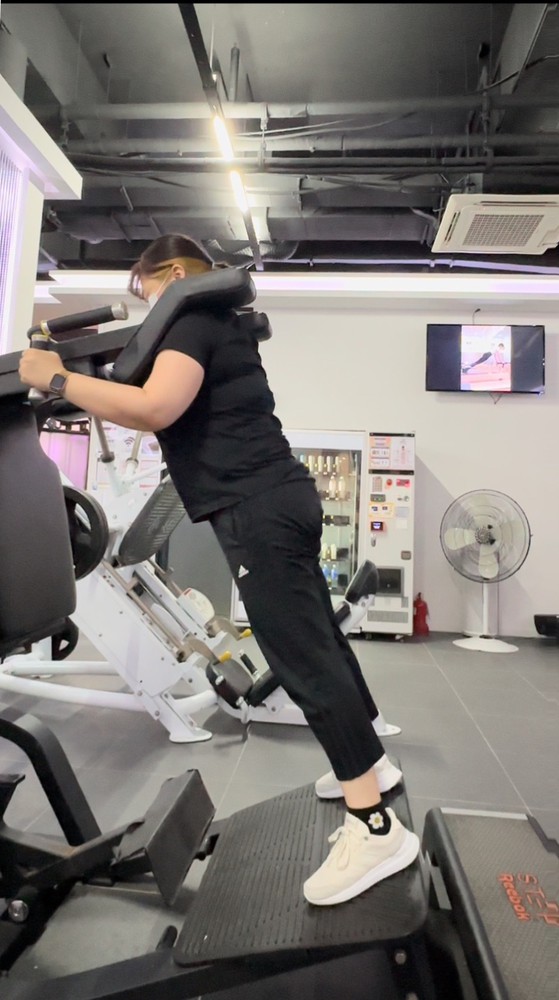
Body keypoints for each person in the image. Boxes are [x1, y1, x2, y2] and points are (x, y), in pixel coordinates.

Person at [19, 234, 419, 907]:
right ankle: (371, 767)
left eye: (144, 289)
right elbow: (145, 397)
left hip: (257, 507)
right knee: (317, 640)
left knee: (300, 656)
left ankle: (374, 826)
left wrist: (54, 378)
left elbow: (154, 409)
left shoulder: (192, 320)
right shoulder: (216, 323)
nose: (145, 303)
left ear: (173, 273)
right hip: (274, 499)